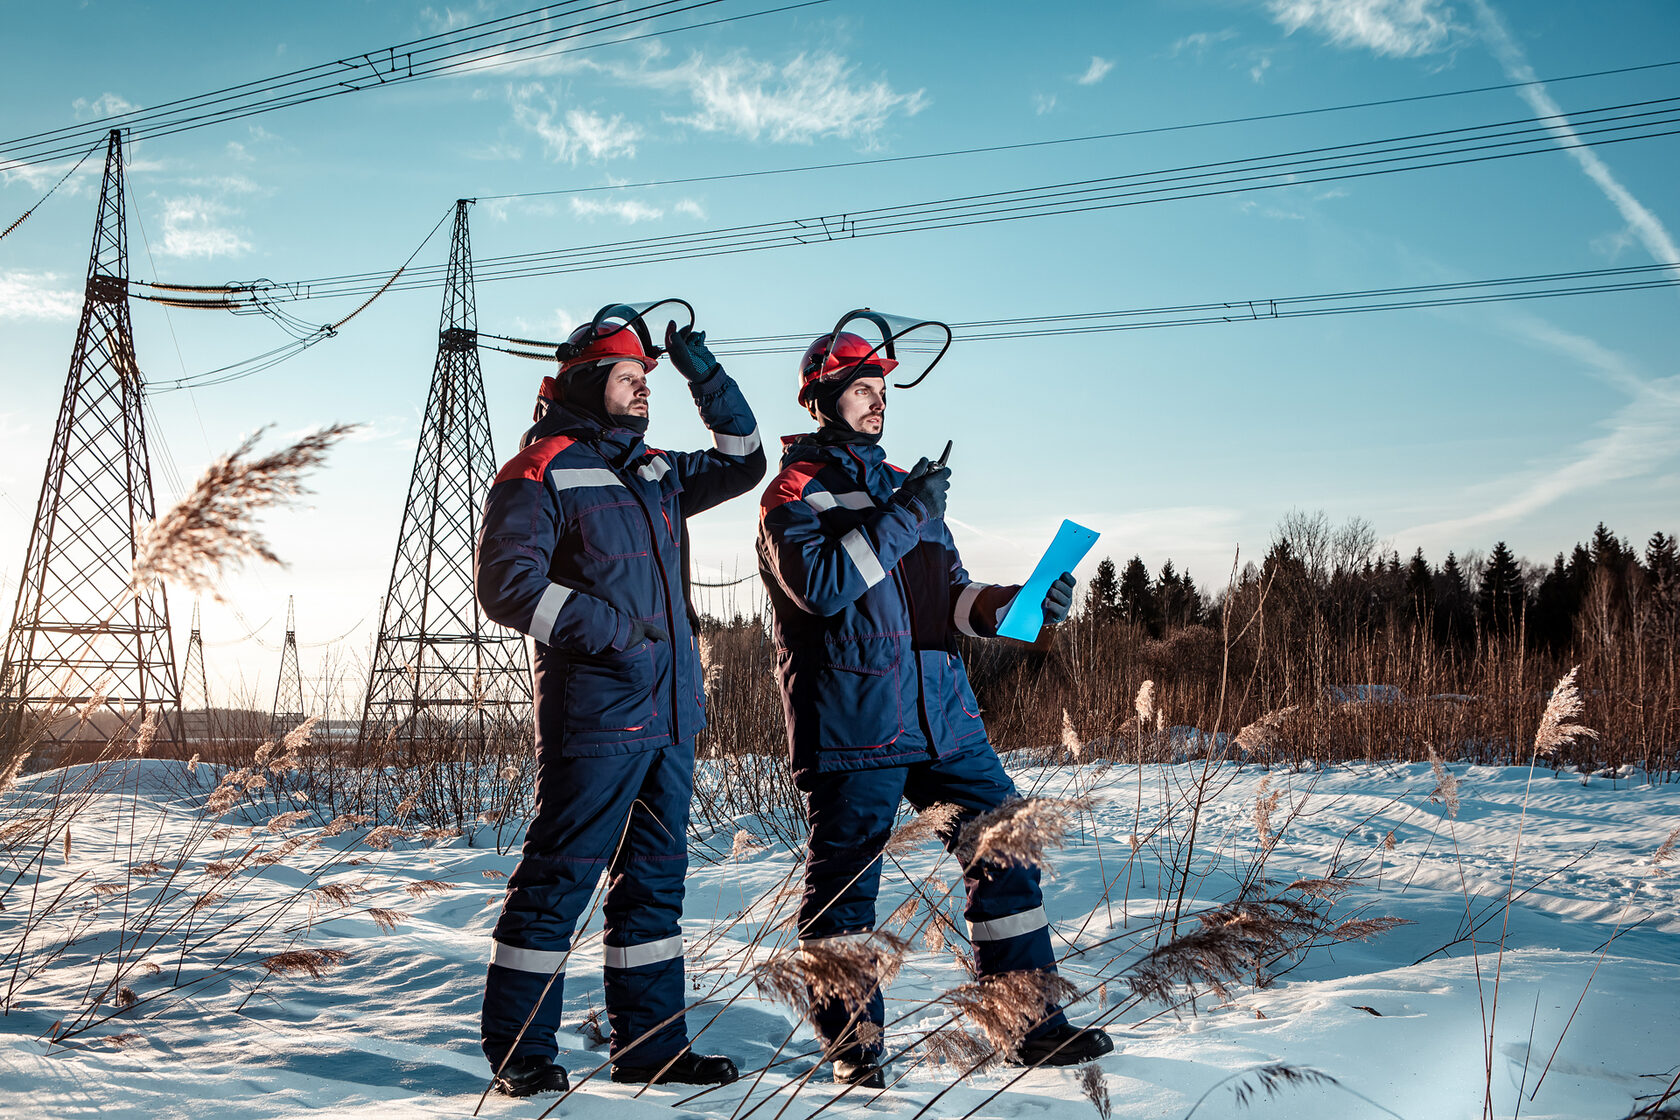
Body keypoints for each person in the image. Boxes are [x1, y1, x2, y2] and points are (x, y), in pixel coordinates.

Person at [755, 327, 1112, 1086]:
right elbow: (820, 587)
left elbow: (949, 600)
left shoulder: (901, 490)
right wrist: (906, 514)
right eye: (861, 389)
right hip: (856, 720)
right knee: (847, 892)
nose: (877, 403)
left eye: (883, 392)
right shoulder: (795, 493)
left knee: (1006, 847)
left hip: (942, 717)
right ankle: (855, 1054)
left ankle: (1030, 1025)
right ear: (820, 397)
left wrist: (1024, 603)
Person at [475, 310, 765, 1096]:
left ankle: (652, 1048)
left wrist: (706, 375)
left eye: (647, 380)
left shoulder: (657, 471)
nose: (644, 391)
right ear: (585, 382)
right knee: (558, 881)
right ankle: (523, 1055)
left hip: (671, 719)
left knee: (654, 889)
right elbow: (508, 587)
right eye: (629, 378)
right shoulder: (540, 469)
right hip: (597, 716)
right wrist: (618, 634)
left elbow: (745, 462)